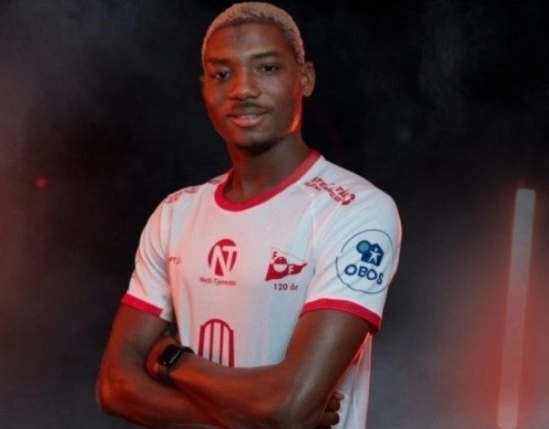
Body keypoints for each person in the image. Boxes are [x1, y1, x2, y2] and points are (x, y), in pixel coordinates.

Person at [96, 2, 402, 428]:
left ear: (305, 78)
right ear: (204, 87)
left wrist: (174, 361)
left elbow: (289, 405)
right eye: (222, 74)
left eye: (267, 68)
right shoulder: (175, 213)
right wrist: (258, 419)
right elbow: (114, 387)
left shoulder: (354, 210)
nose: (242, 89)